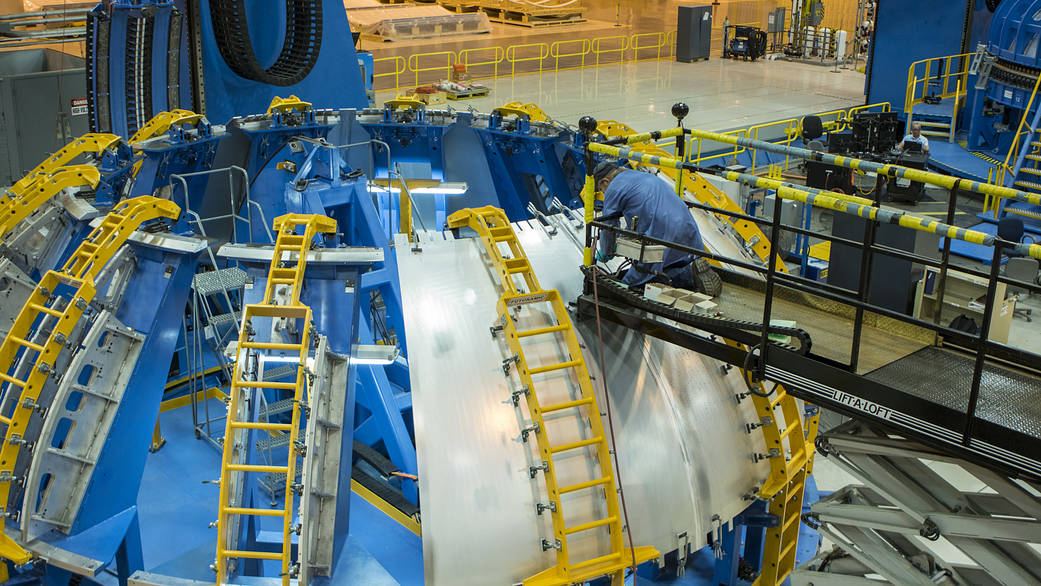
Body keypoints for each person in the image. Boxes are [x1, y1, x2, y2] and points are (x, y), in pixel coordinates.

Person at [593, 162, 722, 296]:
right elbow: (640, 209)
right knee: (674, 261)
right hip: (685, 224)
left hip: (661, 229)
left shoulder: (614, 188)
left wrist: (607, 250)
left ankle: (689, 275)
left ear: (605, 181)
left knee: (637, 279)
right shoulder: (640, 175)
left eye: (601, 189)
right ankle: (692, 267)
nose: (603, 193)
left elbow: (608, 224)